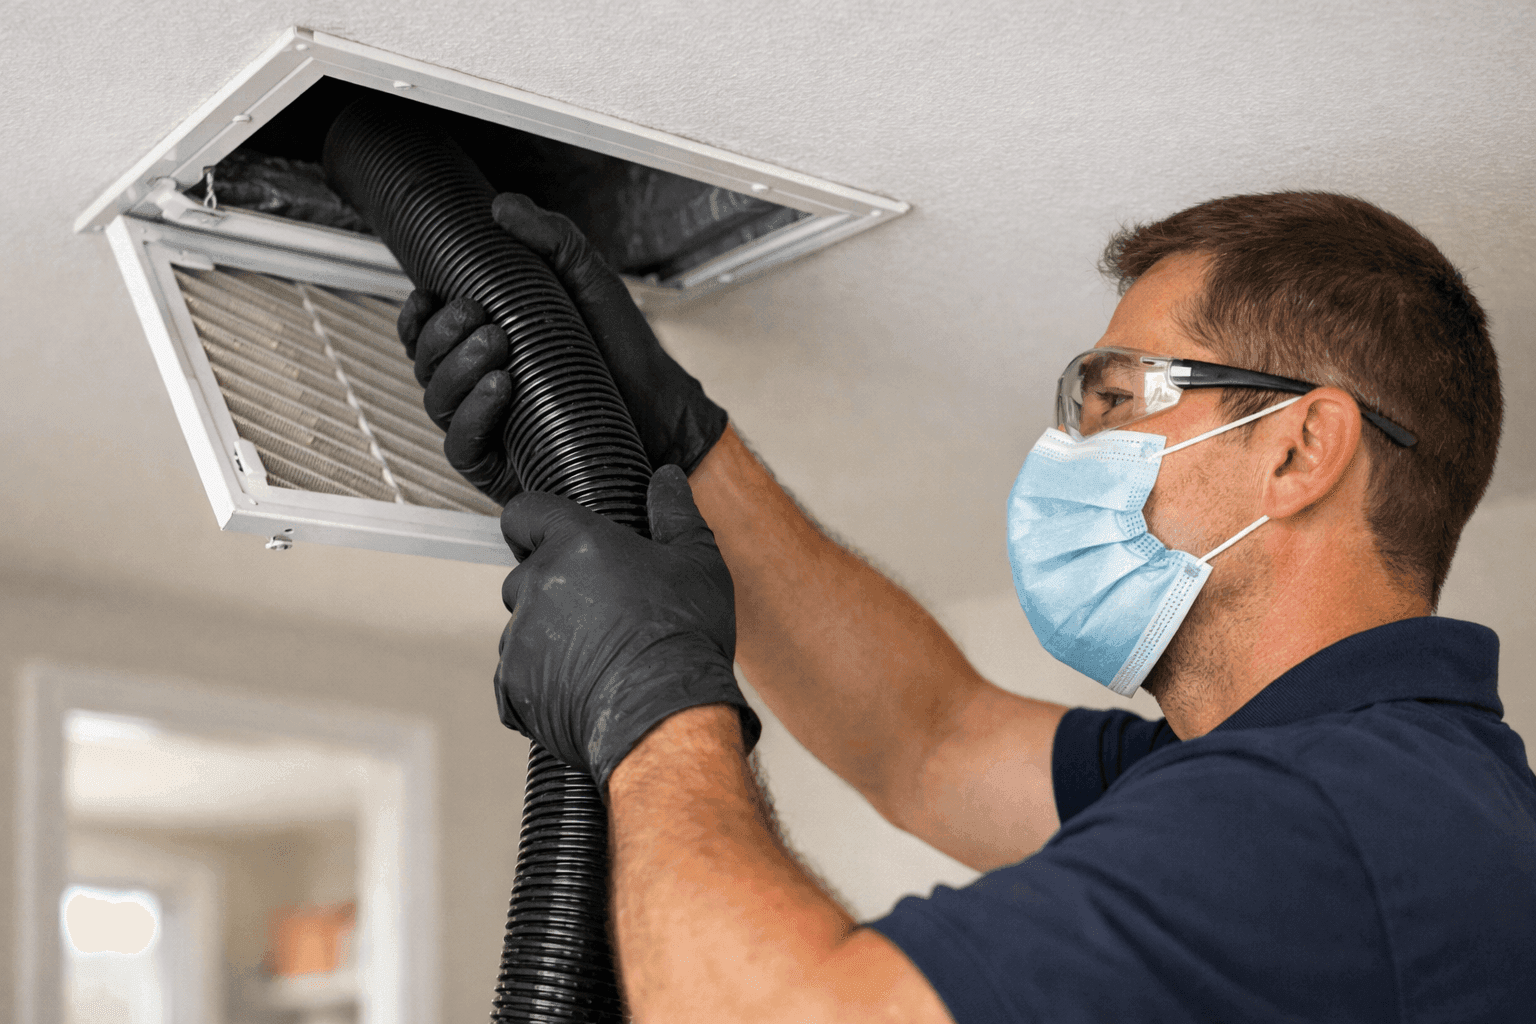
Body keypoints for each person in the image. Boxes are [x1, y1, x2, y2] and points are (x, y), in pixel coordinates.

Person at [399, 191, 1536, 1023]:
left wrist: (643, 697)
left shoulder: (1317, 817)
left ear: (1297, 449)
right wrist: (673, 445)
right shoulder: (1366, 781)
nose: (1069, 444)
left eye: (1114, 398)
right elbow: (927, 739)